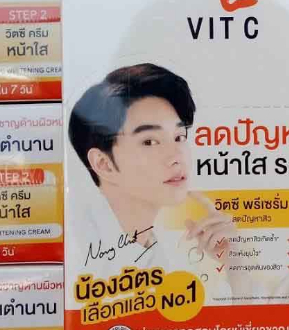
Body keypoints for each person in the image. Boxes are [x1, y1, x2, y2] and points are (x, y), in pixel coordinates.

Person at [68, 63, 235, 279]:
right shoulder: (76, 252)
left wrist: (235, 265)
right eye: (150, 141)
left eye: (179, 137)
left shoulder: (158, 251)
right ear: (103, 164)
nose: (176, 156)